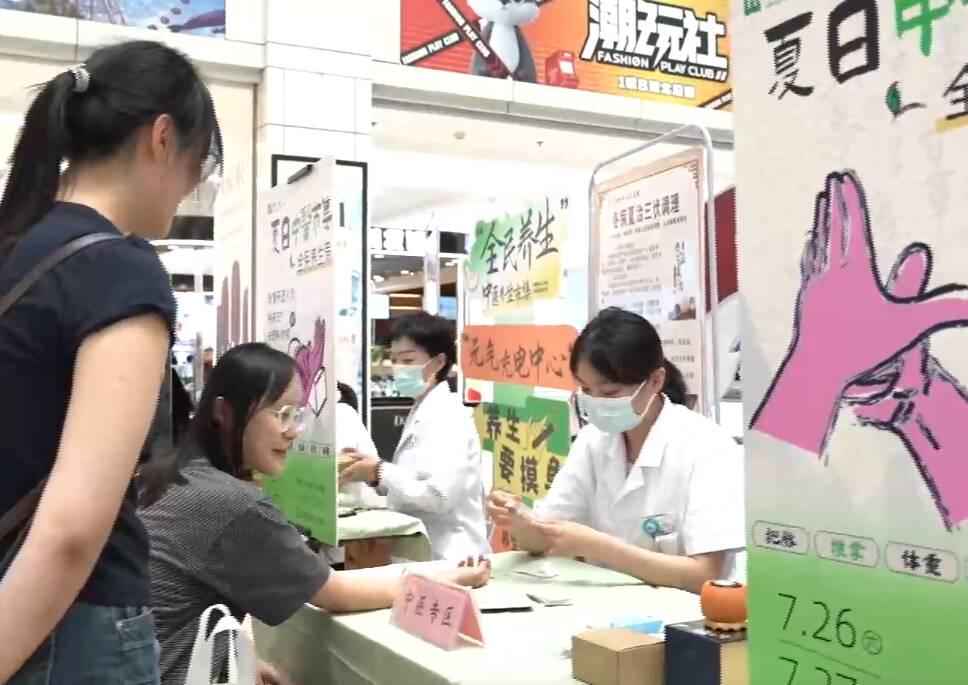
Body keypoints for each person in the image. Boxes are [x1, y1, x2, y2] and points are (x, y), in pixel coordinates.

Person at [0, 41, 221, 684]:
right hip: (68, 626)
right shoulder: (118, 269)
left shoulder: (14, 244)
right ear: (162, 138)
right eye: (200, 162)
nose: (194, 185)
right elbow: (72, 529)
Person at [138, 343, 491, 685]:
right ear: (224, 413)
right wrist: (448, 578)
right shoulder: (233, 502)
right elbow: (337, 593)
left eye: (297, 415)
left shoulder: (172, 473)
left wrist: (242, 658)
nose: (294, 431)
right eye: (282, 415)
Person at [487, 307, 744, 594]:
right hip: (605, 604)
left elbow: (706, 575)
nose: (596, 402)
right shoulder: (593, 440)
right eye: (586, 390)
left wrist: (598, 547)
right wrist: (519, 521)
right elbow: (547, 536)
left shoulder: (707, 447)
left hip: (683, 612)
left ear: (655, 381)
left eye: (609, 392)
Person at [341, 312, 490, 560]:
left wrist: (379, 470)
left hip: (451, 556)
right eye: (394, 360)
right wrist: (370, 473)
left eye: (408, 360)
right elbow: (411, 482)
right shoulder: (422, 409)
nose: (398, 369)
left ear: (439, 361)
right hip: (422, 553)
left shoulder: (448, 416)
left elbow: (438, 496)